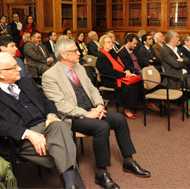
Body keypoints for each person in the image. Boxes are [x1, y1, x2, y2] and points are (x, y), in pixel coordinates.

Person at [42, 38, 150, 189]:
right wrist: (85, 114)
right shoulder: (50, 75)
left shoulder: (78, 67)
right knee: (102, 127)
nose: (79, 53)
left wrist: (99, 105)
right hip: (72, 116)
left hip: (92, 109)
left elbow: (92, 89)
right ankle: (101, 173)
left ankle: (129, 161)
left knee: (119, 120)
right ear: (64, 55)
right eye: (75, 51)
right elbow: (59, 105)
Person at [0, 52, 83, 189]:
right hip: (20, 138)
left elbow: (47, 101)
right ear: (1, 73)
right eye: (14, 67)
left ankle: (70, 186)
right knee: (64, 147)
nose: (20, 69)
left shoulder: (26, 82)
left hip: (47, 125)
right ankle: (72, 185)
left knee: (60, 125)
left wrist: (51, 115)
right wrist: (27, 133)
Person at [96, 35, 149, 118]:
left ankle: (135, 106)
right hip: (109, 79)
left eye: (112, 42)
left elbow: (124, 64)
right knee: (128, 86)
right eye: (108, 42)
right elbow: (109, 72)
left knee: (138, 82)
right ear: (102, 44)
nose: (111, 44)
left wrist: (127, 71)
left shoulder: (113, 53)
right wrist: (124, 74)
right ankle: (126, 108)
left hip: (120, 75)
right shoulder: (101, 57)